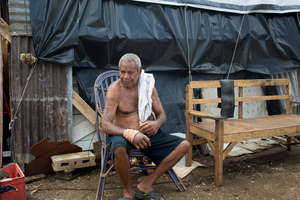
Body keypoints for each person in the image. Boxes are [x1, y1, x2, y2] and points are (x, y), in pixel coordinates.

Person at [102, 53, 190, 200]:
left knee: (184, 145)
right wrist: (130, 133)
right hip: (122, 135)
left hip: (146, 135)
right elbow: (105, 124)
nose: (125, 77)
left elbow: (162, 115)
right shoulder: (115, 89)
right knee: (119, 147)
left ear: (139, 71)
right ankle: (128, 191)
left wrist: (156, 123)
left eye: (130, 73)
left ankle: (147, 183)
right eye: (122, 72)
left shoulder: (148, 86)